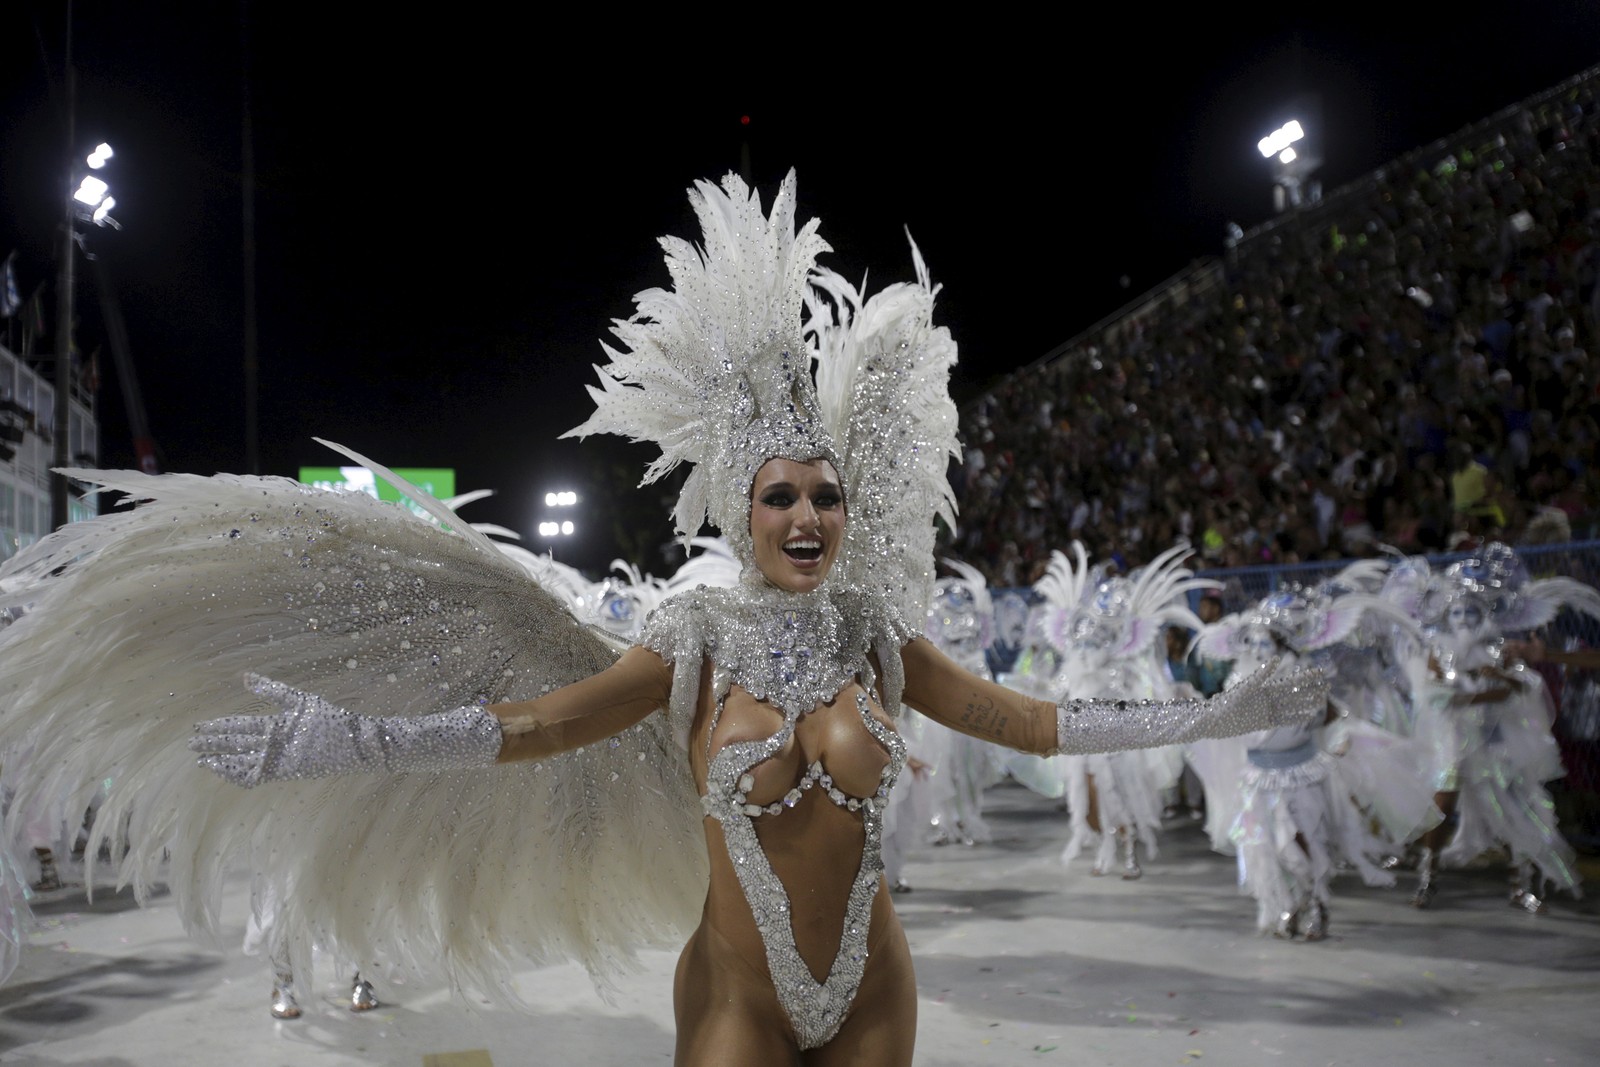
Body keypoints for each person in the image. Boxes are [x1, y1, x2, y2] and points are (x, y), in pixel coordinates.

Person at [0, 172, 1325, 1065]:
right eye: (780, 496)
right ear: (742, 509)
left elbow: (1033, 719)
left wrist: (1220, 711)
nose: (807, 516)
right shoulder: (691, 641)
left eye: (826, 495)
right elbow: (535, 724)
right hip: (740, 993)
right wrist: (348, 741)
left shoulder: (873, 634)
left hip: (876, 982)